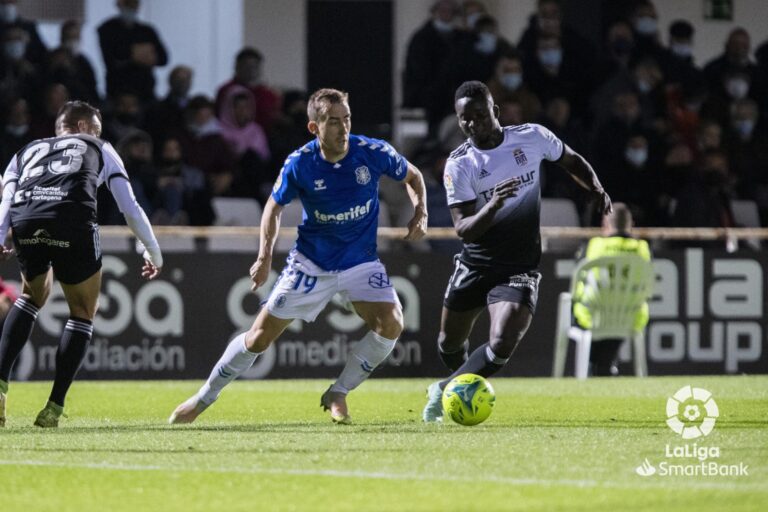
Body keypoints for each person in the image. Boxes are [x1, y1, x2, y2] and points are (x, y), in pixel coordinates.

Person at [169, 88, 428, 425]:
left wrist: (420, 212)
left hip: (360, 262)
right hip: (311, 264)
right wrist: (264, 257)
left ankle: (338, 392)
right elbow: (273, 208)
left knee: (392, 323)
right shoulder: (300, 163)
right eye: (333, 121)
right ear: (314, 127)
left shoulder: (372, 151)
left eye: (347, 118)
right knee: (258, 338)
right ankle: (202, 399)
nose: (343, 128)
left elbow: (414, 176)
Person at [422, 81, 611, 422]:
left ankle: (444, 391)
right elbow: (464, 228)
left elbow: (571, 160)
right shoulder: (460, 164)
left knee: (503, 340)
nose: (472, 123)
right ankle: (459, 383)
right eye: (465, 118)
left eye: (479, 115)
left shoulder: (531, 137)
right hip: (476, 264)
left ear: (494, 111)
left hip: (518, 267)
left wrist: (595, 188)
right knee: (449, 344)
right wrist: (494, 205)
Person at [0, 101, 163, 428]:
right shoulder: (100, 147)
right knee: (83, 310)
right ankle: (53, 407)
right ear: (84, 127)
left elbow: (6, 199)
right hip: (72, 220)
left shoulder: (25, 151)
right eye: (96, 130)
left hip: (27, 220)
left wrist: (1, 234)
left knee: (31, 295)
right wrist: (152, 250)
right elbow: (129, 206)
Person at [572, 203, 651, 376]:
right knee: (619, 310)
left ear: (605, 224)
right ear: (631, 225)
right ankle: (606, 364)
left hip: (592, 317)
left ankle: (596, 364)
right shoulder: (642, 249)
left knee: (579, 305)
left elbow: (578, 283)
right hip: (629, 317)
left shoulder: (593, 246)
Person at [97, 0, 169, 101]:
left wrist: (131, 54)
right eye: (128, 4)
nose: (132, 8)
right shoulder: (107, 29)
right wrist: (139, 54)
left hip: (145, 91)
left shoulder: (147, 31)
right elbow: (111, 59)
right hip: (118, 92)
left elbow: (163, 58)